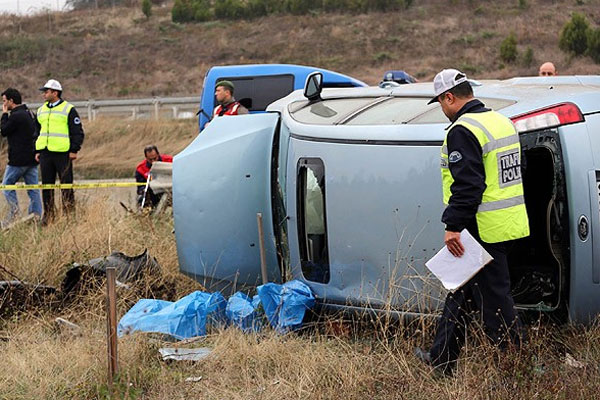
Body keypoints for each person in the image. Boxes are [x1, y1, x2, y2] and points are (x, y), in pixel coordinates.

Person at [414, 69, 530, 375]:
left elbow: (468, 185)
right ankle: (441, 359)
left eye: (440, 102)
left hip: (483, 228)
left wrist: (453, 225)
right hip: (508, 223)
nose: (442, 109)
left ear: (449, 97)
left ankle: (515, 366)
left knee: (496, 304)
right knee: (460, 291)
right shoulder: (501, 121)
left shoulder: (462, 130)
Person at [35, 79, 84, 225]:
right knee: (47, 186)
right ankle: (48, 216)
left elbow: (77, 132)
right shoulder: (41, 110)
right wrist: (37, 150)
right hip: (45, 153)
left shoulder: (68, 109)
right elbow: (37, 132)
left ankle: (69, 216)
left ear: (55, 93)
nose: (44, 94)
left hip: (63, 153)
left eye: (46, 91)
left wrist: (74, 149)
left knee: (66, 185)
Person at [1, 88, 42, 226]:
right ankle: (36, 215)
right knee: (33, 188)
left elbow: (4, 130)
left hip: (18, 160)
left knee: (6, 186)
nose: (4, 104)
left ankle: (14, 214)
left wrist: (4, 114)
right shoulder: (29, 113)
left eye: (5, 101)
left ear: (11, 101)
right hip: (32, 158)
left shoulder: (15, 116)